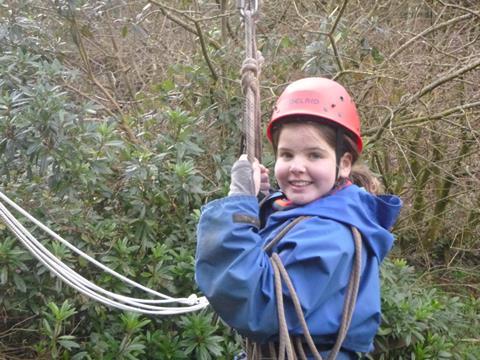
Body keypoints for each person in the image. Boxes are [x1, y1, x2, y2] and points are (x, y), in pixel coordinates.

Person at [195, 77, 402, 359]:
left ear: (343, 164)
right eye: (287, 154)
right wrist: (260, 206)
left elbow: (259, 305)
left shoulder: (333, 236)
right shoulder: (302, 213)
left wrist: (238, 207)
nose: (297, 167)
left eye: (314, 155)